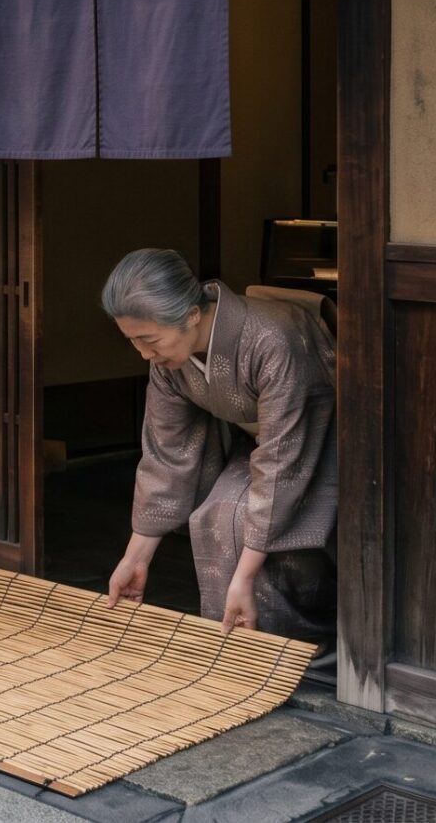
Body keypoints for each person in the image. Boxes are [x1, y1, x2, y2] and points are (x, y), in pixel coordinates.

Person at [99, 248, 337, 644]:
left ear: (193, 314)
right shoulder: (167, 363)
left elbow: (283, 460)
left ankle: (291, 649)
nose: (144, 354)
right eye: (133, 341)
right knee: (215, 514)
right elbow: (167, 455)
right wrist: (134, 559)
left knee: (241, 516)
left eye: (150, 340)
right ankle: (234, 644)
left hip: (324, 445)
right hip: (266, 447)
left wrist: (244, 577)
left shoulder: (272, 339)